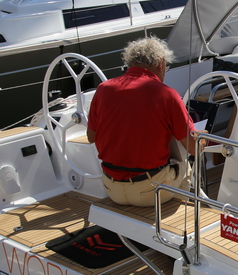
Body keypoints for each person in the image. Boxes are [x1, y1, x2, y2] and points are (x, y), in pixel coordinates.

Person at [87, 37, 205, 206]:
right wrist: (201, 139)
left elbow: (91, 137)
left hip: (112, 189)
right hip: (152, 192)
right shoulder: (167, 94)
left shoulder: (103, 89)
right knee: (185, 165)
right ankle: (178, 214)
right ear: (161, 64)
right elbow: (193, 148)